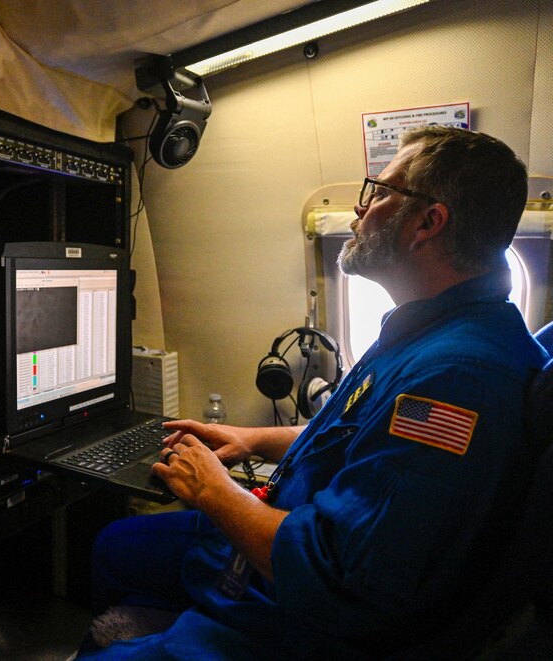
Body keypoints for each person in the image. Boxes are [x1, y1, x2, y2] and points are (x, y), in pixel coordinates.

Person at [80, 126, 551, 659]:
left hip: (288, 615)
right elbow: (358, 438)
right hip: (278, 545)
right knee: (113, 546)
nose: (359, 206)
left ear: (428, 222)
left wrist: (214, 490)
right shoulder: (436, 330)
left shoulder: (456, 381)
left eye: (380, 191)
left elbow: (339, 576)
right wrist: (253, 438)